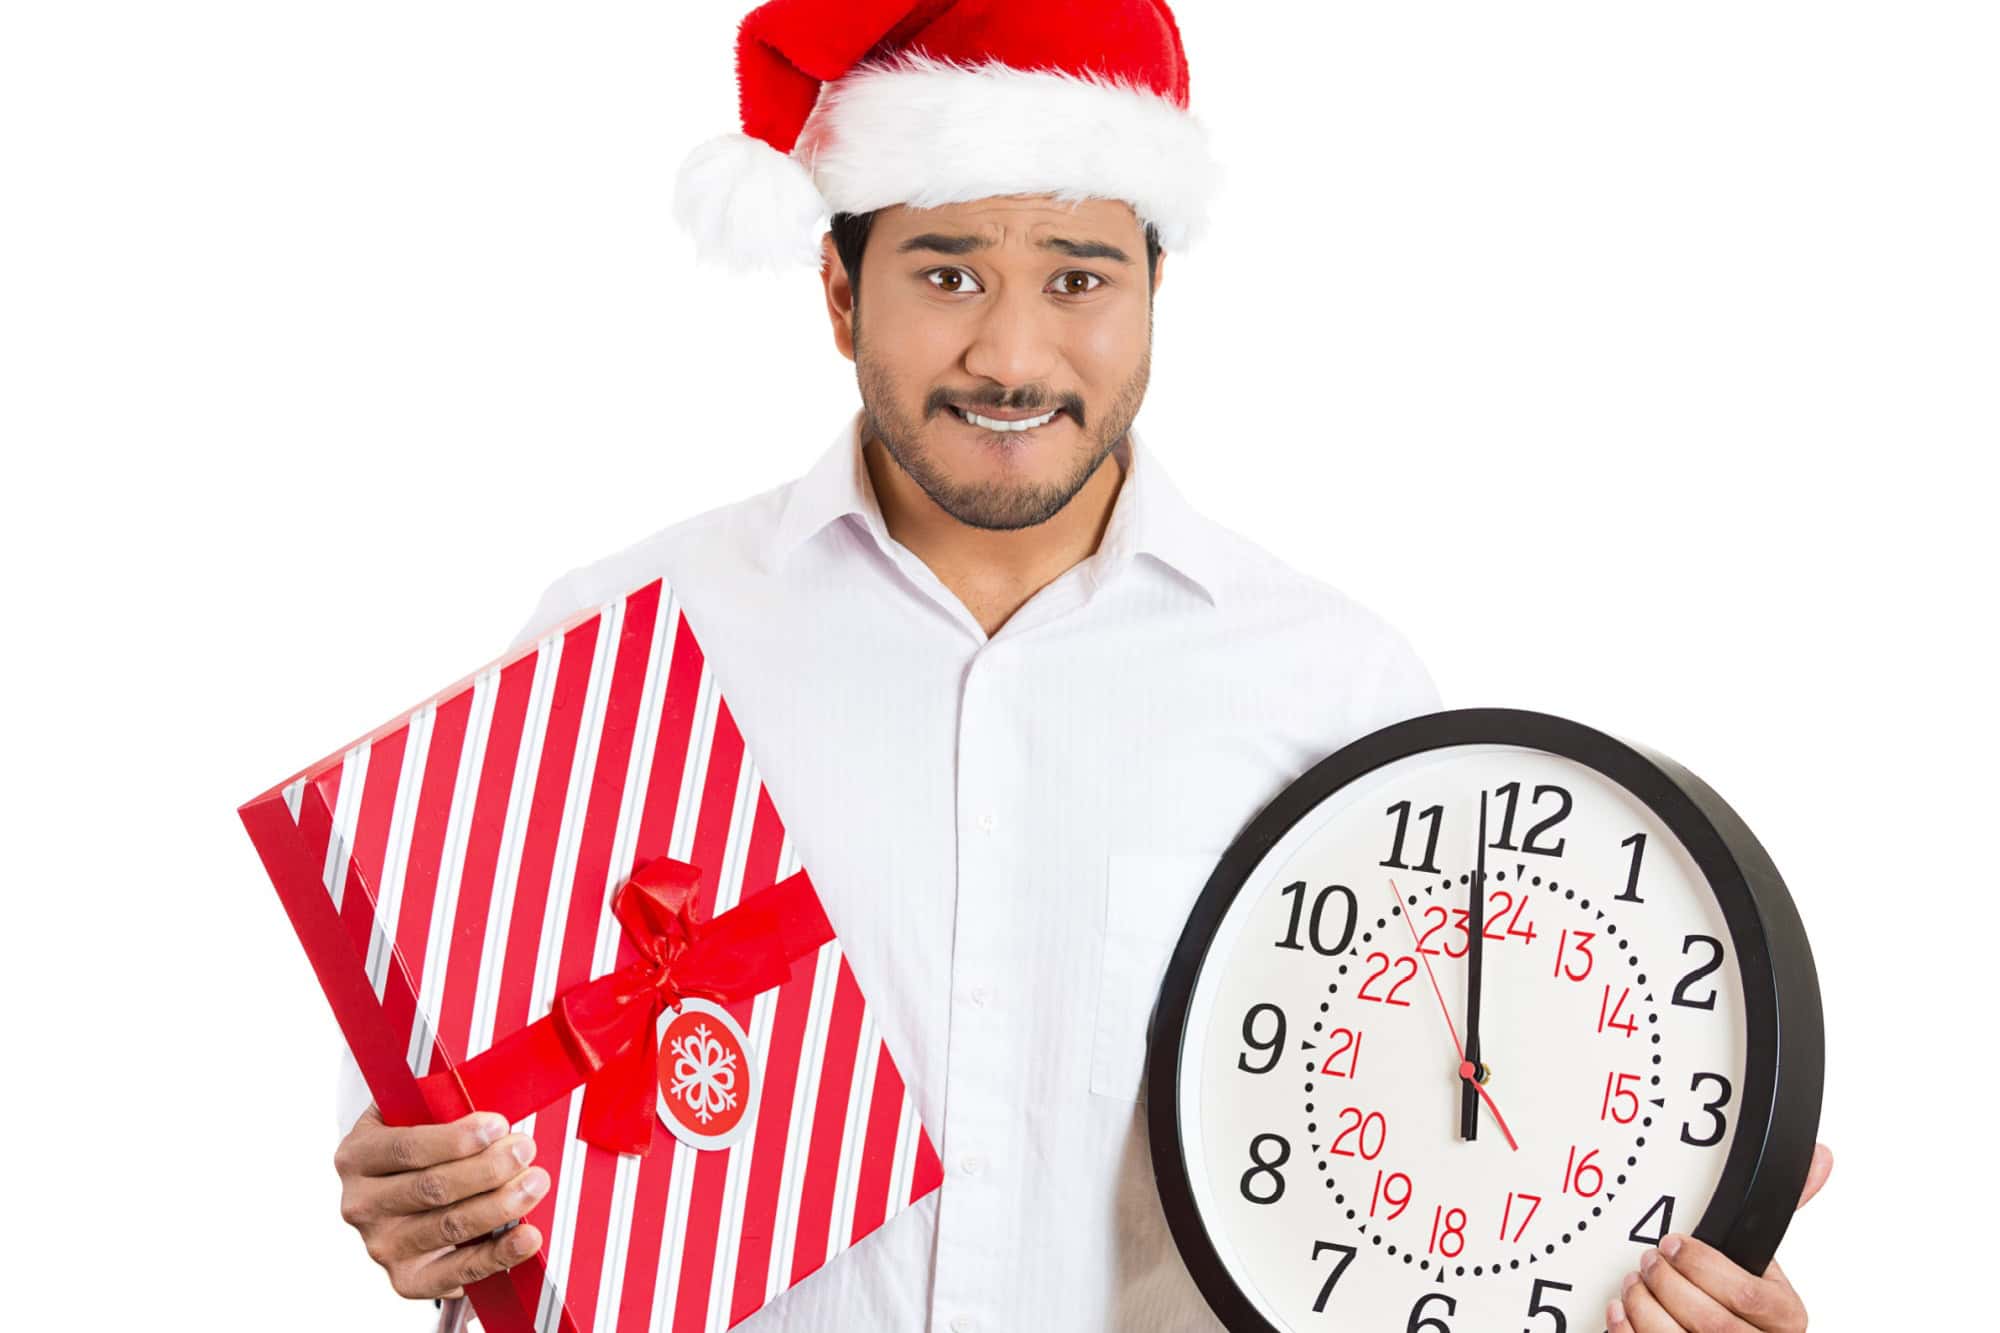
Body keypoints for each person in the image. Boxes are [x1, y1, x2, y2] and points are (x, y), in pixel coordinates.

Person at [326, 2, 1834, 1329]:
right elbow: (455, 1086)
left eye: (1076, 274)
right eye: (947, 271)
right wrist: (423, 1191)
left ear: (1156, 286)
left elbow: (1444, 1163)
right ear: (840, 291)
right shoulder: (626, 639)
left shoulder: (1337, 692)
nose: (1011, 357)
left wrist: (1624, 1255)